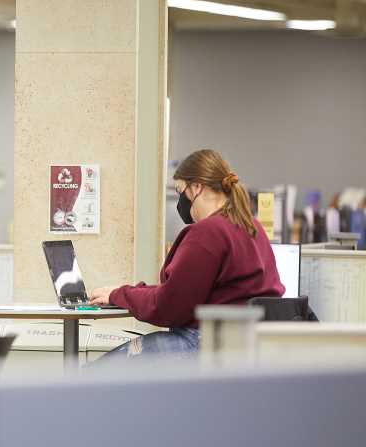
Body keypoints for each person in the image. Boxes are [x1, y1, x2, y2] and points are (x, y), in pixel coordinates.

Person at [90, 149, 284, 359]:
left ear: (197, 187)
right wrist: (126, 293)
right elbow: (184, 290)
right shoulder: (251, 226)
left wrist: (119, 295)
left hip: (204, 345)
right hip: (245, 346)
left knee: (95, 377)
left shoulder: (207, 233)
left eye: (181, 190)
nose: (180, 200)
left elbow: (169, 306)